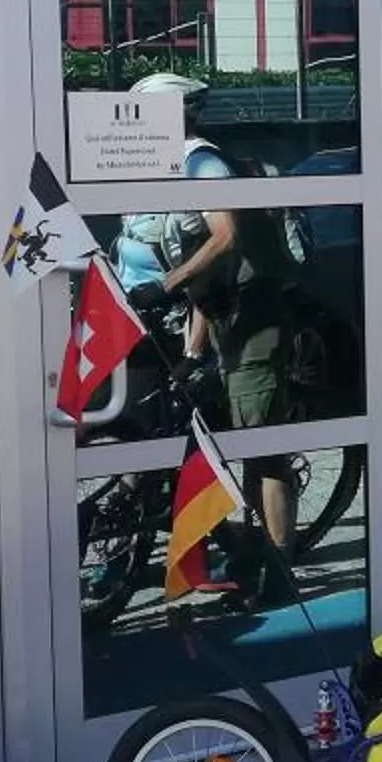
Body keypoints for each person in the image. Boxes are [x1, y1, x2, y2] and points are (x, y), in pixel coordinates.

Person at [116, 74, 306, 565]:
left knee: (258, 442)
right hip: (177, 314)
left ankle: (275, 568)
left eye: (145, 114)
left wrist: (167, 283)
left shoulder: (201, 162)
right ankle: (143, 547)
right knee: (147, 430)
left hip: (243, 316)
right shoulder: (152, 162)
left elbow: (225, 236)